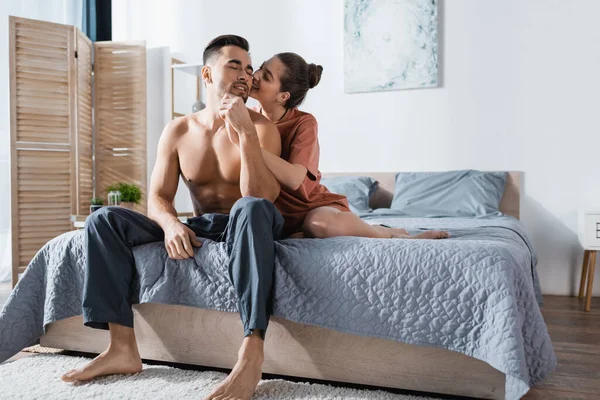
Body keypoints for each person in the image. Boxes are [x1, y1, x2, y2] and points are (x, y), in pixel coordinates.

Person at [62, 35, 281, 400]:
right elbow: (159, 197)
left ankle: (252, 352)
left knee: (251, 207)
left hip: (250, 221)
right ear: (207, 74)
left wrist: (244, 133)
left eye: (248, 67)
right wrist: (171, 224)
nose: (246, 74)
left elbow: (261, 196)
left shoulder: (261, 128)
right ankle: (122, 347)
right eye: (234, 65)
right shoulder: (178, 131)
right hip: (203, 225)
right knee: (104, 220)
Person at [250, 53, 449, 240]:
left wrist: (248, 142)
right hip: (277, 214)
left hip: (313, 209)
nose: (256, 75)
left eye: (266, 76)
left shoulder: (304, 123)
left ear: (283, 96)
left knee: (319, 224)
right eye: (260, 68)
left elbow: (294, 179)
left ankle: (385, 234)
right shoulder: (248, 116)